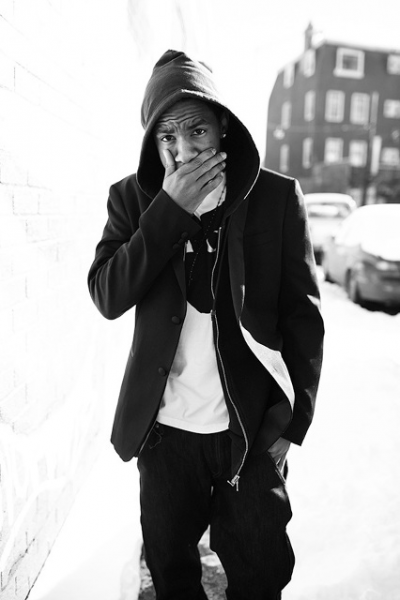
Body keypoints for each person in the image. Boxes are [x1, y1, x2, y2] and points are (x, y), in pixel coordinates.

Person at [88, 49, 324, 600]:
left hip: (249, 430)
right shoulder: (131, 199)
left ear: (223, 126)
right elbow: (107, 295)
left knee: (261, 575)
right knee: (172, 575)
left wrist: (291, 425)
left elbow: (303, 317)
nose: (183, 150)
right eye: (167, 137)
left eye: (196, 130)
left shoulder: (274, 196)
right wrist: (168, 212)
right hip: (165, 435)